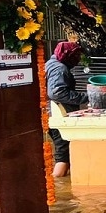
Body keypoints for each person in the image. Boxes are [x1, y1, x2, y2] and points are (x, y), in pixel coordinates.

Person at [45, 41, 89, 177]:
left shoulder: (50, 64)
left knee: (65, 149)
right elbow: (56, 93)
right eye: (76, 56)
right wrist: (86, 97)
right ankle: (58, 183)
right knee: (62, 152)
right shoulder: (60, 69)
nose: (78, 59)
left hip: (50, 113)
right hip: (58, 115)